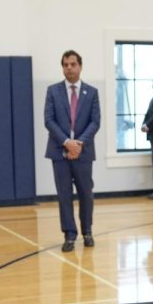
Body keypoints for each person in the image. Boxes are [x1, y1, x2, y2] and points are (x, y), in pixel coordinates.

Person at [43, 50, 100, 252]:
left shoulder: (91, 92)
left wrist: (79, 143)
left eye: (73, 64)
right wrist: (67, 142)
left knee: (86, 193)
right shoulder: (53, 91)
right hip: (59, 152)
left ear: (80, 66)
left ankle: (87, 232)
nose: (69, 68)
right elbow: (48, 121)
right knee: (64, 195)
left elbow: (95, 122)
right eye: (66, 64)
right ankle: (69, 234)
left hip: (84, 152)